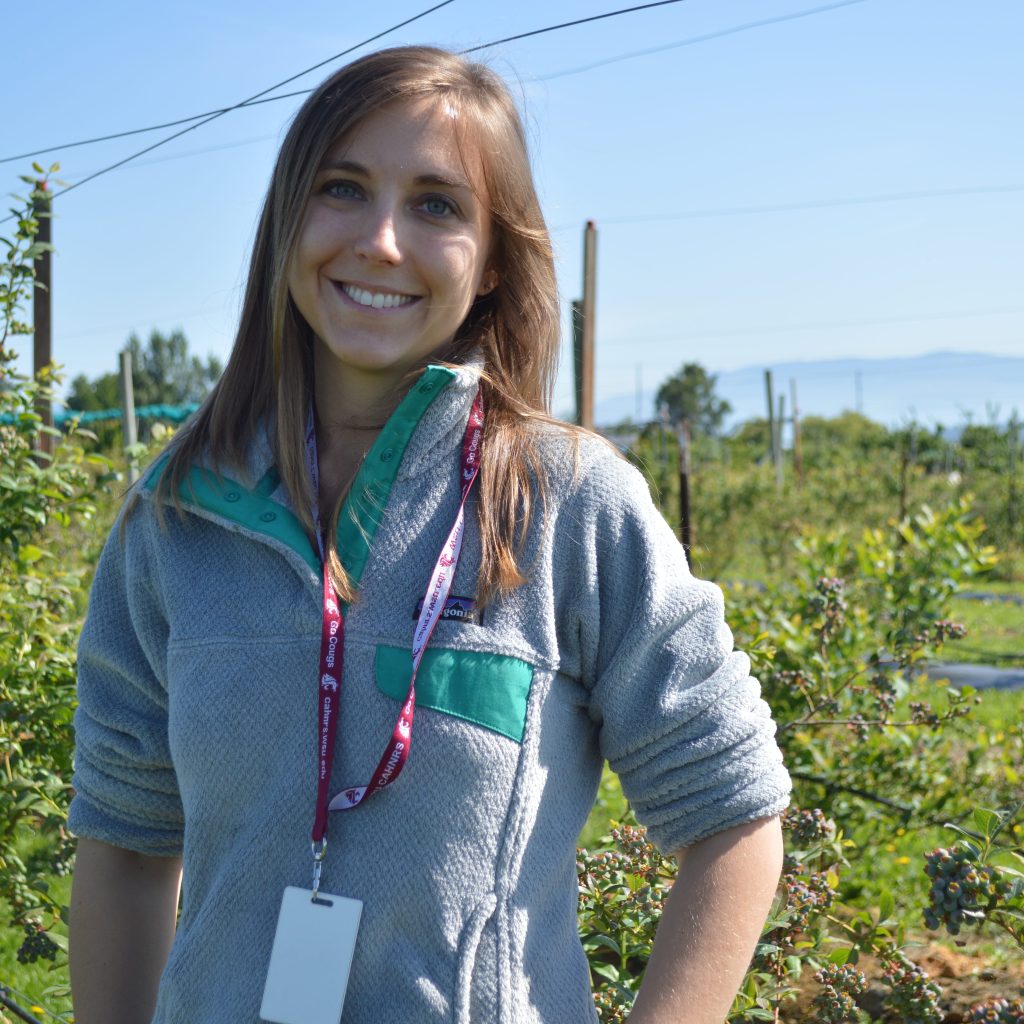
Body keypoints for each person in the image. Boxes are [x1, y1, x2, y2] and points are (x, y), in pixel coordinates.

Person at [68, 45, 791, 1024]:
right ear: (287, 219)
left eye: (437, 205)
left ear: (494, 258)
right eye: (343, 187)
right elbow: (123, 844)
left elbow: (735, 816)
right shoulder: (177, 516)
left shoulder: (571, 503)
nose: (380, 240)